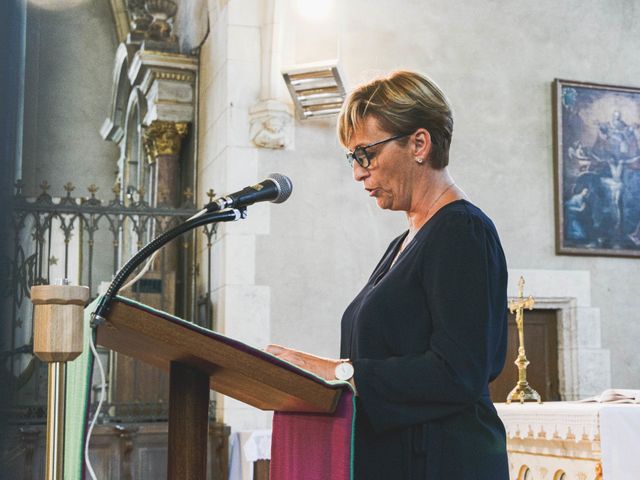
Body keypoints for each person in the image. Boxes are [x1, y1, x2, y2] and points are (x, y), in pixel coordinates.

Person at [267, 70, 509, 479]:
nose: (358, 173)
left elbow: (459, 372)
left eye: (366, 154)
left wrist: (333, 372)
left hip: (441, 463)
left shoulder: (462, 231)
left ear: (419, 143)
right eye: (353, 158)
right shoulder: (403, 242)